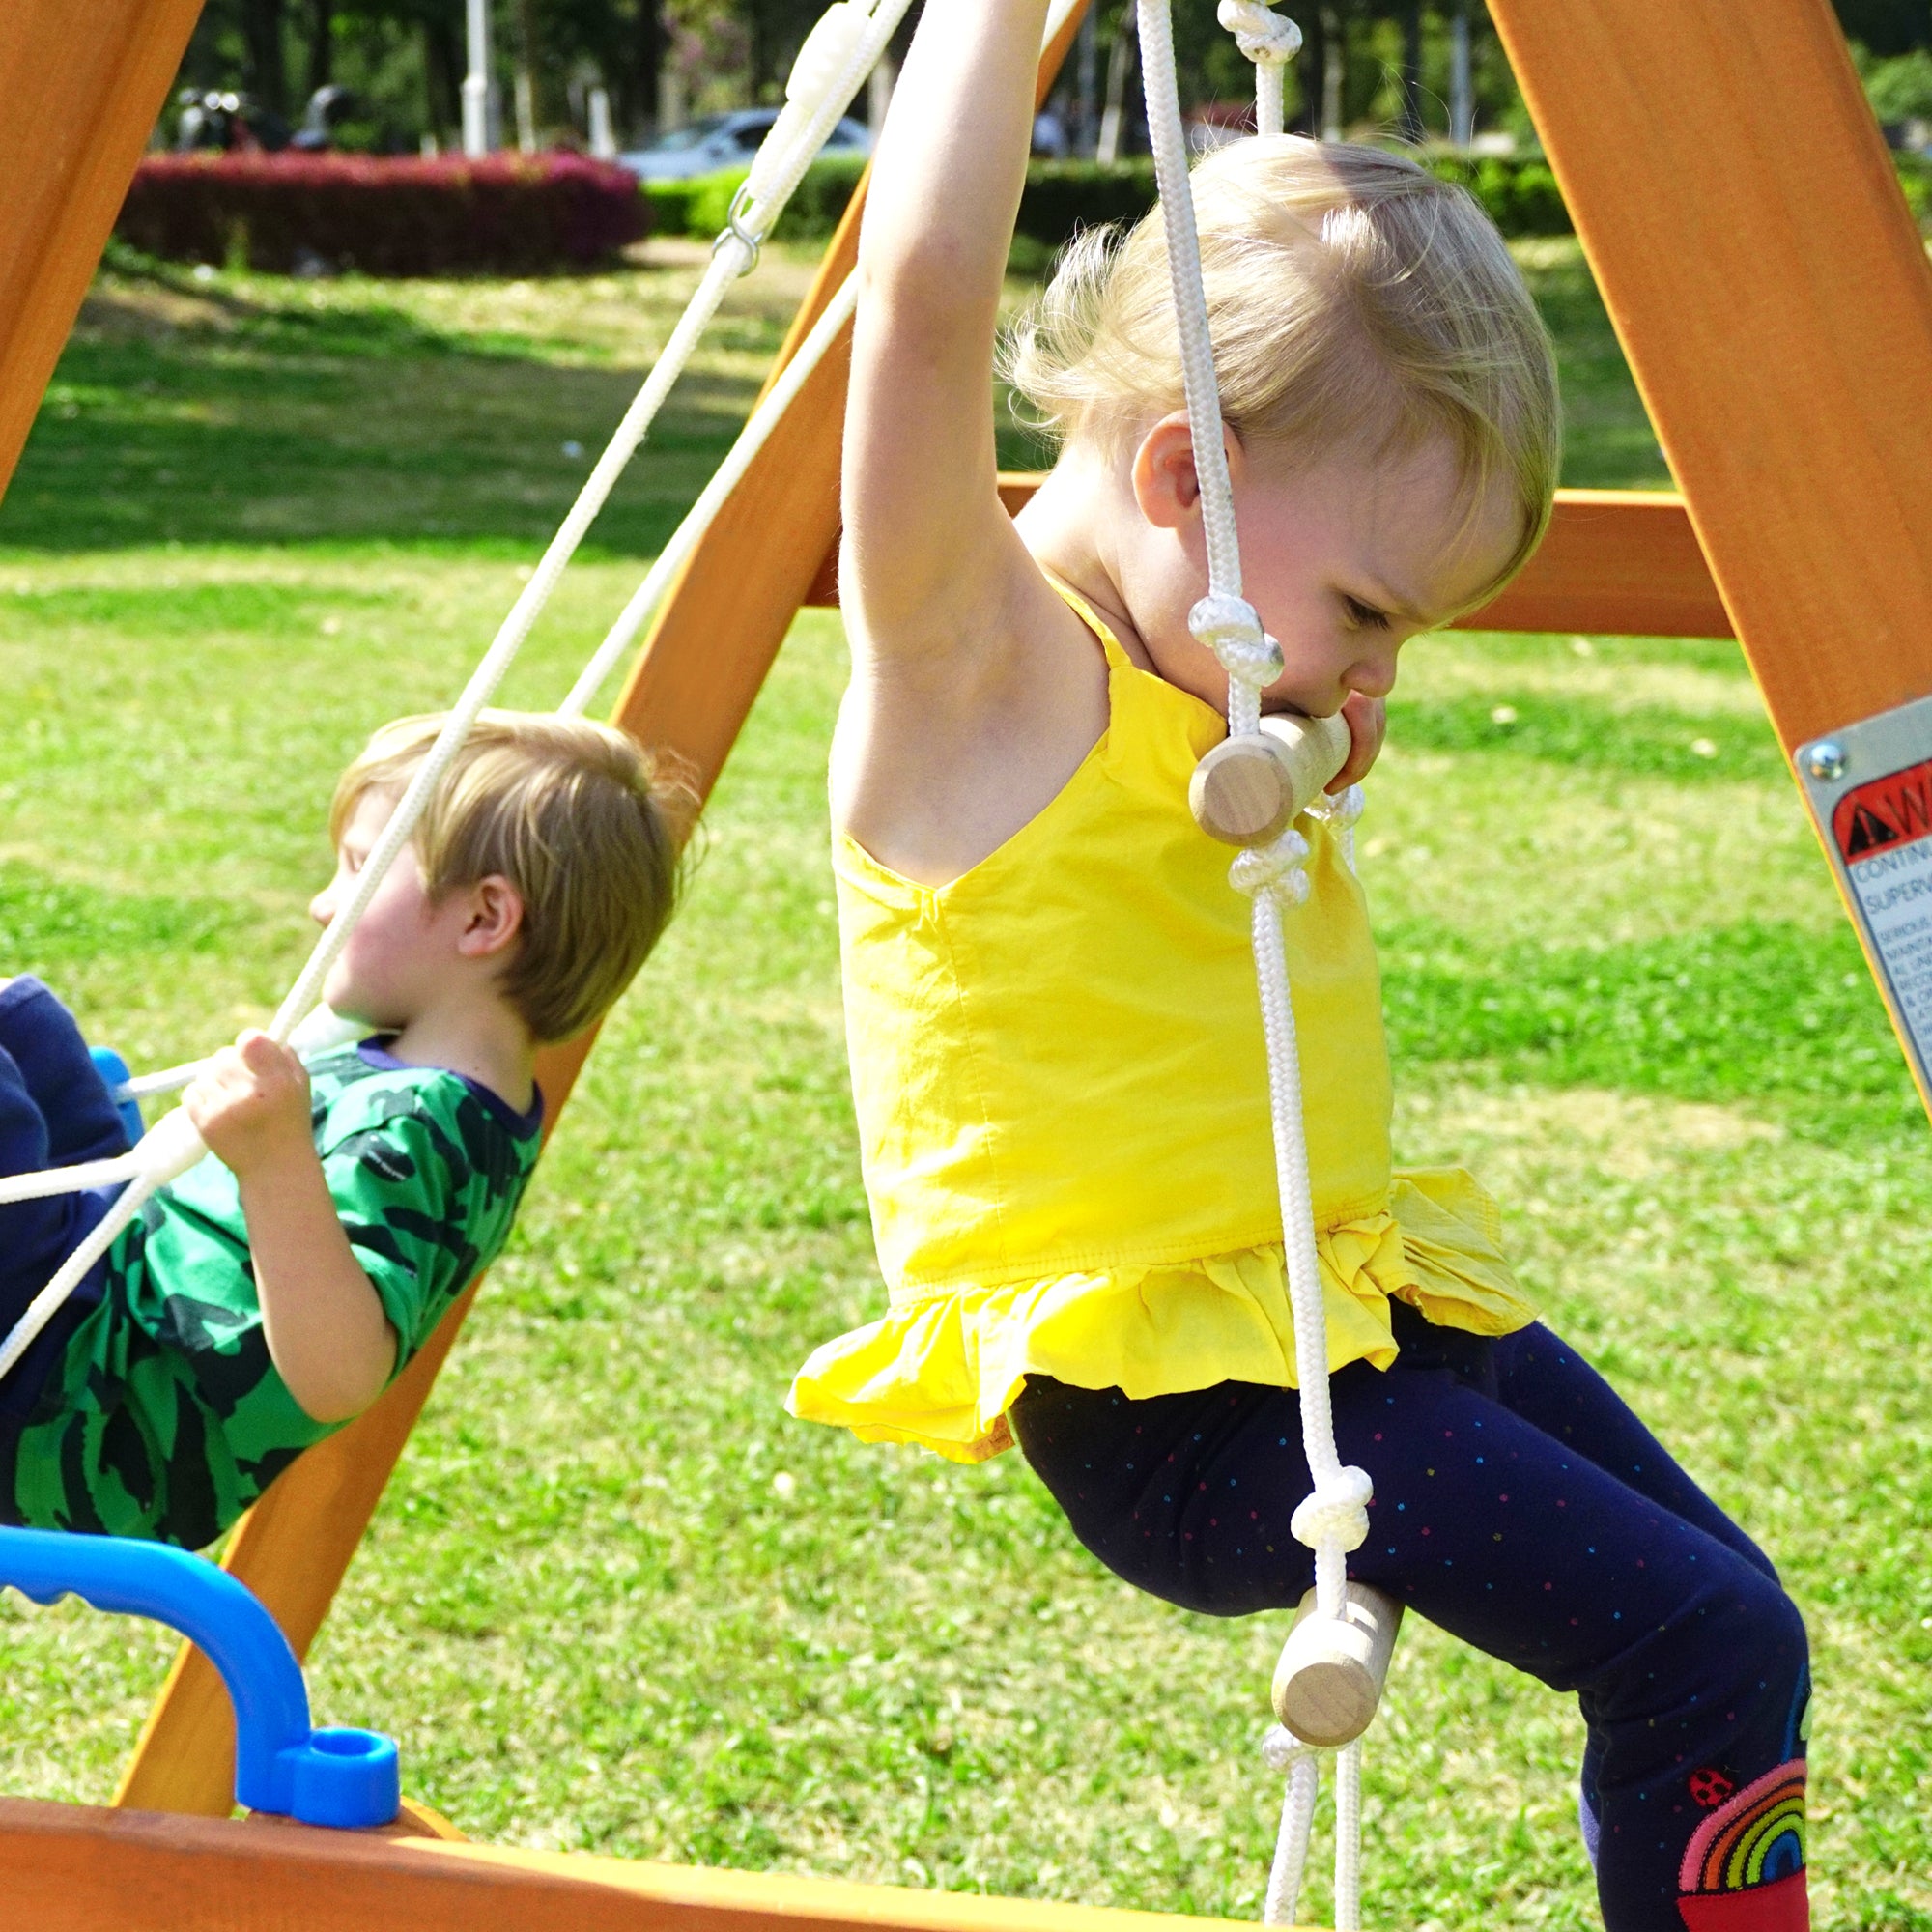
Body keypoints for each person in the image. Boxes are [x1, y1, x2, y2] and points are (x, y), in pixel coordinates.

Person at [784, 4, 1811, 1928]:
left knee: (1734, 1620)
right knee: (1695, 1639)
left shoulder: (1212, 674)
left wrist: (1313, 687)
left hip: (1353, 1310)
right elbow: (919, 300)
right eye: (1361, 614)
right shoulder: (975, 672)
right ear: (1182, 478)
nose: (1370, 681)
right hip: (1184, 1406)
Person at [0, 710, 685, 1549]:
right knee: (25, 1026)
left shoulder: (431, 1128)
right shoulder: (410, 1057)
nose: (322, 904)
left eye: (359, 869)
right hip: (102, 1284)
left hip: (71, 1403)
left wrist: (276, 1160)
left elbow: (340, 1373)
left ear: (483, 921)